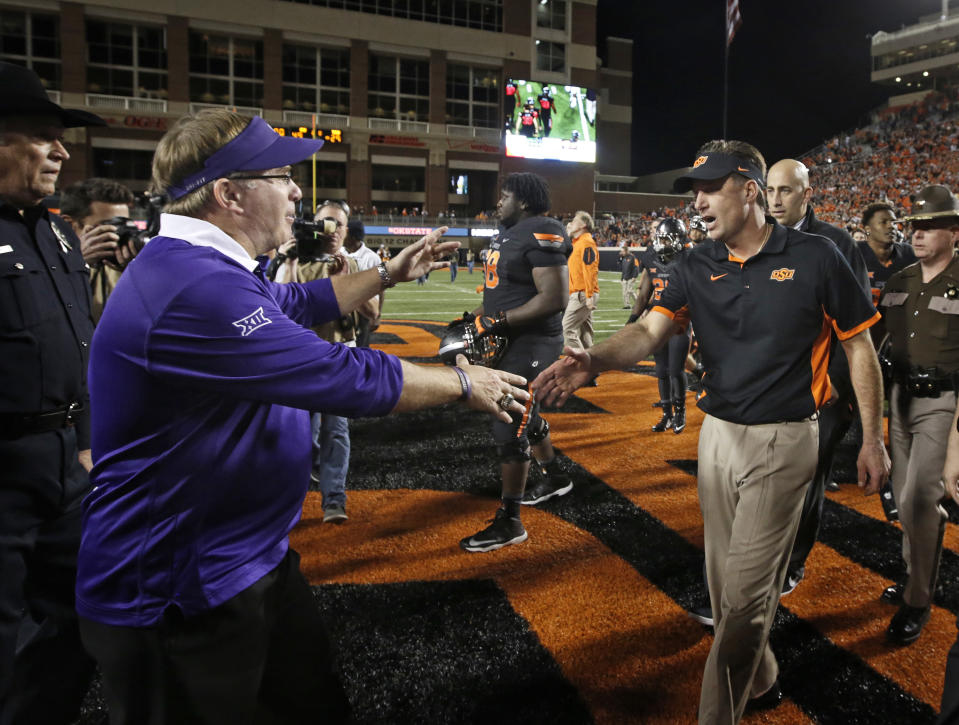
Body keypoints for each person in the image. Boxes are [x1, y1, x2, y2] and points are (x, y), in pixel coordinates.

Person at [75, 109, 530, 724]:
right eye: (281, 175)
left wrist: (387, 273)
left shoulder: (202, 269)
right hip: (178, 586)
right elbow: (338, 373)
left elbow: (299, 298)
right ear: (229, 194)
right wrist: (460, 381)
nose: (296, 191)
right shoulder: (194, 288)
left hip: (243, 558)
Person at [532, 140, 888, 725]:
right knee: (726, 595)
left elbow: (859, 346)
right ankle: (766, 679)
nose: (696, 201)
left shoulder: (819, 255)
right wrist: (592, 359)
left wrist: (871, 439)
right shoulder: (695, 264)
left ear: (750, 191)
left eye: (708, 187)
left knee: (745, 606)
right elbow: (647, 333)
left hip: (786, 438)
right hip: (717, 434)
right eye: (693, 189)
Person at [0, 61, 105, 725]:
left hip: (68, 465)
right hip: (2, 474)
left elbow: (84, 349)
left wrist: (91, 443)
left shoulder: (60, 231)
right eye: (42, 135)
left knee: (90, 615)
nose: (61, 149)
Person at [765, 158, 871, 590]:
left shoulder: (836, 243)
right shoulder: (759, 239)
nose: (774, 200)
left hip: (823, 389)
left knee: (806, 481)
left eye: (785, 190)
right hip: (772, 386)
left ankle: (791, 562)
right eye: (769, 190)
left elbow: (856, 332)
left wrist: (841, 392)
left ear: (807, 194)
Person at [457, 172, 571, 552]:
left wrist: (498, 322)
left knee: (507, 420)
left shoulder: (542, 230)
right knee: (524, 413)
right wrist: (472, 318)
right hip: (513, 339)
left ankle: (510, 521)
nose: (498, 203)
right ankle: (554, 475)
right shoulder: (509, 234)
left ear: (523, 201)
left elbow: (554, 298)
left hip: (534, 342)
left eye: (505, 196)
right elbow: (501, 297)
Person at [879, 184, 959, 646]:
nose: (919, 233)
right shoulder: (898, 282)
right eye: (914, 225)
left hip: (943, 403)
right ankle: (916, 577)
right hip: (899, 401)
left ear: (953, 231)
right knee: (906, 498)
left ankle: (917, 598)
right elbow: (875, 344)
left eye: (930, 226)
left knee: (918, 499)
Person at [273, 200, 372, 524]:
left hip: (339, 355)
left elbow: (373, 313)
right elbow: (282, 303)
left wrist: (346, 281)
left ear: (346, 231)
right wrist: (287, 256)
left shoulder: (353, 264)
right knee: (299, 433)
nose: (331, 231)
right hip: (299, 359)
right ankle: (296, 491)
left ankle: (333, 500)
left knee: (337, 430)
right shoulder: (293, 260)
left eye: (337, 224)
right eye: (325, 223)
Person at [629, 217, 691, 434]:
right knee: (661, 370)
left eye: (666, 239)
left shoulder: (689, 258)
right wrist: (632, 319)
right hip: (657, 318)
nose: (661, 244)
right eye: (660, 239)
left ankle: (681, 411)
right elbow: (645, 291)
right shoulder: (651, 257)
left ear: (678, 240)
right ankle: (667, 413)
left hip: (679, 320)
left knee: (676, 369)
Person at [58, 177, 138, 323]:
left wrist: (134, 274)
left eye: (123, 225)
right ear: (69, 224)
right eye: (108, 226)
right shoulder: (51, 264)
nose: (116, 234)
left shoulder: (124, 266)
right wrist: (78, 264)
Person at [859, 202, 917, 344]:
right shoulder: (852, 254)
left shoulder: (909, 254)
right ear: (868, 229)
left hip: (900, 334)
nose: (891, 226)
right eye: (883, 222)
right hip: (861, 334)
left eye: (893, 222)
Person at [562, 210, 599, 352]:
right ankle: (592, 366)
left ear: (583, 224)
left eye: (574, 220)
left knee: (567, 329)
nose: (570, 223)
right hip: (582, 293)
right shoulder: (577, 243)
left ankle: (582, 365)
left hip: (583, 294)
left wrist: (589, 295)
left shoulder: (586, 243)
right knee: (585, 335)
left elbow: (590, 270)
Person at [343, 217, 381, 347]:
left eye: (345, 233)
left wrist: (377, 316)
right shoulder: (339, 253)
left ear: (353, 237)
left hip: (364, 312)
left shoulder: (374, 258)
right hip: (342, 310)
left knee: (361, 349)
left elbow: (383, 286)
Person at [619, 243, 639, 308]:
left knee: (630, 291)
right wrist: (622, 278)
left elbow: (636, 267)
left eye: (622, 251)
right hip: (625, 277)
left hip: (631, 277)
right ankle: (627, 305)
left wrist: (634, 276)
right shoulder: (624, 258)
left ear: (626, 251)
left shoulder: (632, 257)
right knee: (624, 293)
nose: (621, 252)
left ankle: (638, 303)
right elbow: (624, 269)